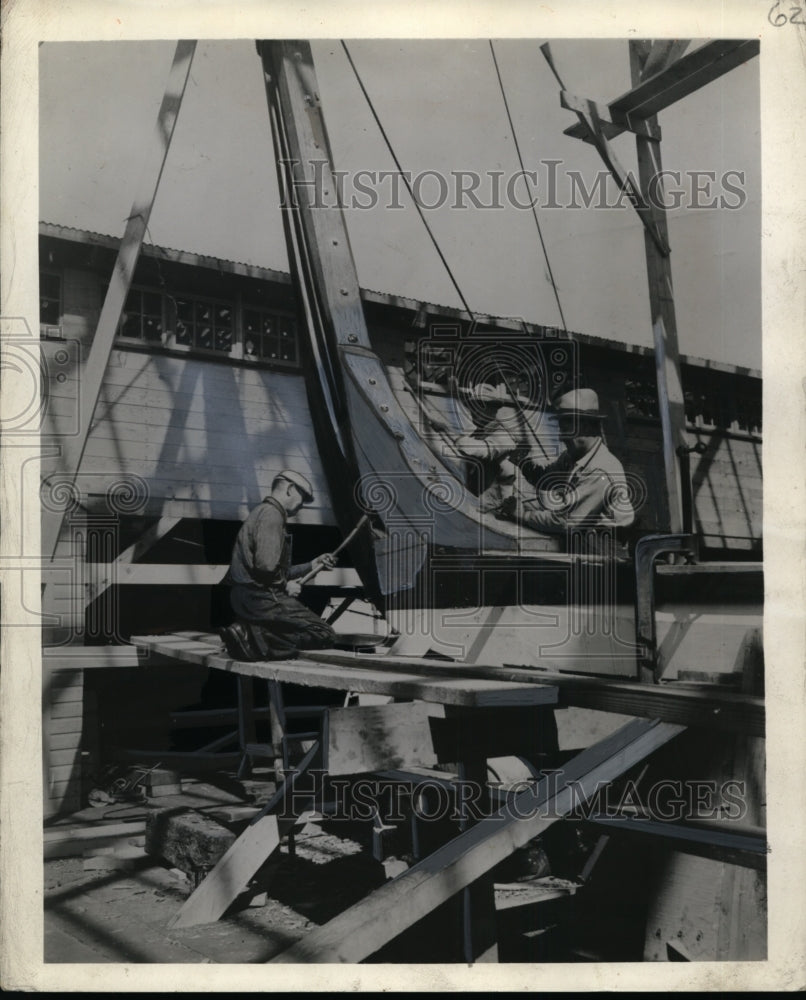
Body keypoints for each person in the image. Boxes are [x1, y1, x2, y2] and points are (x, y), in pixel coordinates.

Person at [219, 470, 337, 661]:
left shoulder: (261, 512)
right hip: (259, 597)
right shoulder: (273, 515)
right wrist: (285, 586)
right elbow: (266, 568)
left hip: (246, 597)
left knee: (301, 629)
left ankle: (248, 636)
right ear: (290, 489)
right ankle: (253, 636)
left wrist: (312, 564)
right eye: (303, 498)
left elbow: (272, 569)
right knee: (323, 633)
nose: (301, 506)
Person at [497, 387, 635, 535]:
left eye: (566, 429)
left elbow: (564, 522)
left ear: (586, 426)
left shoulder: (600, 470)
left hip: (606, 549)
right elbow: (546, 478)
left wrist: (521, 515)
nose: (561, 437)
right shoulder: (573, 456)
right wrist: (520, 458)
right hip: (582, 537)